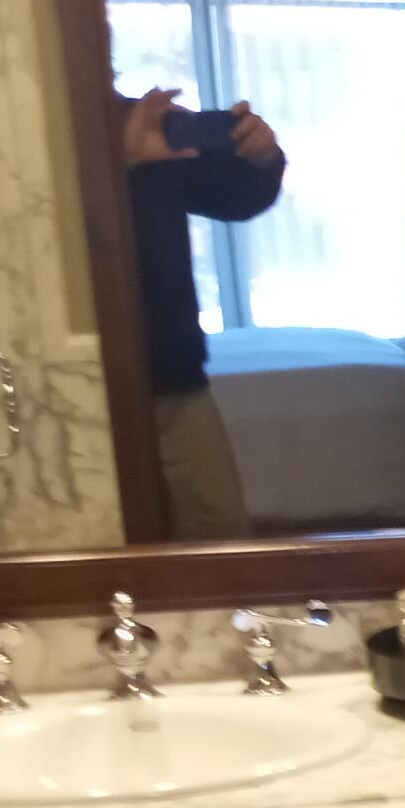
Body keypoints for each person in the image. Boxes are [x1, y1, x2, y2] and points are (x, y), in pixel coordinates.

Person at [115, 85, 285, 540]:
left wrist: (263, 157)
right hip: (86, 387)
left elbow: (238, 196)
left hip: (175, 380)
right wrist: (121, 165)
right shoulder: (44, 135)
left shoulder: (150, 122)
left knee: (221, 539)